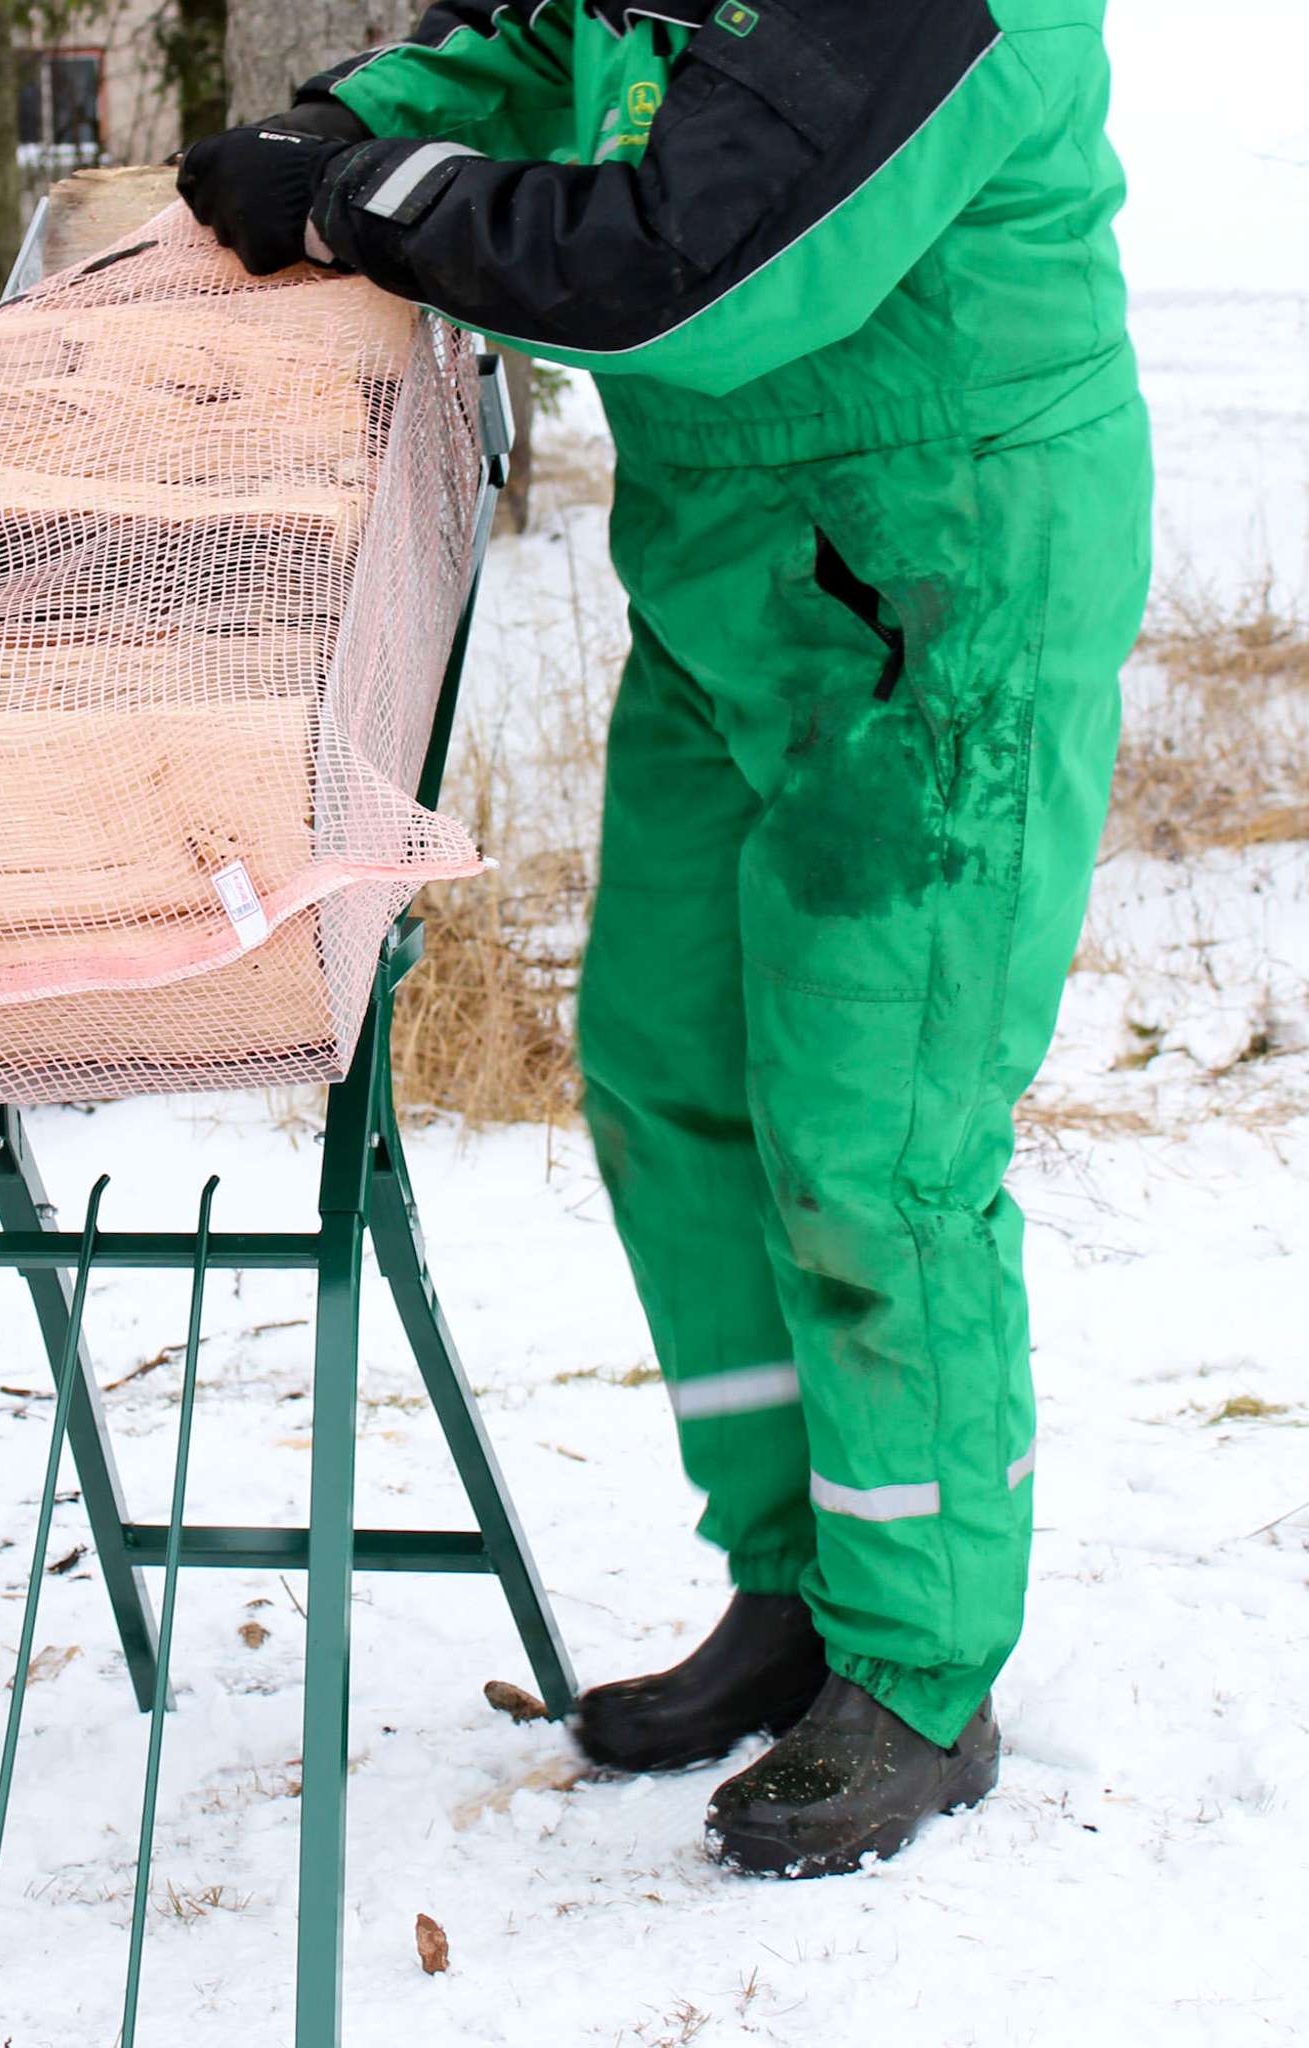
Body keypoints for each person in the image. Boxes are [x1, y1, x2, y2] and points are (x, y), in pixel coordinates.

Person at [179, 0, 1151, 1878]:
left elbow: (687, 263)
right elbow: (535, 35)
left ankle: (918, 1664)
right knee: (667, 1068)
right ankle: (794, 1584)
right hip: (733, 561)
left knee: (875, 1141)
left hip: (944, 569)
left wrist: (362, 198)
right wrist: (340, 119)